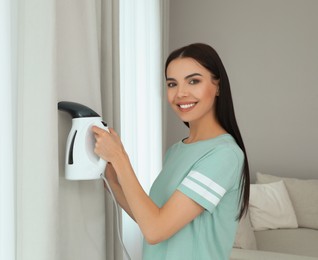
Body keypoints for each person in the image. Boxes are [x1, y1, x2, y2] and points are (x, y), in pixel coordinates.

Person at [92, 43, 250, 260]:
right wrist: (113, 184)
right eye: (172, 84)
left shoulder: (224, 155)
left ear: (218, 86)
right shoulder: (177, 150)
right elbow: (152, 219)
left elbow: (155, 230)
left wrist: (120, 158)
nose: (181, 93)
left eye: (193, 81)